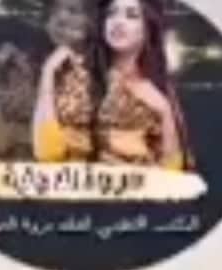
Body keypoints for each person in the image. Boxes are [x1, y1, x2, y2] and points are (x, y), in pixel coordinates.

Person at [93, 0, 191, 168]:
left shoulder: (160, 88)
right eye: (111, 13)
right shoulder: (83, 76)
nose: (118, 22)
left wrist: (165, 111)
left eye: (131, 15)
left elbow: (175, 168)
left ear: (148, 29)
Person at [30, 0, 99, 163]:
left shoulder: (104, 69)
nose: (61, 18)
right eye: (53, 13)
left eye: (73, 10)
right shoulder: (46, 68)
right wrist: (48, 72)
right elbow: (45, 150)